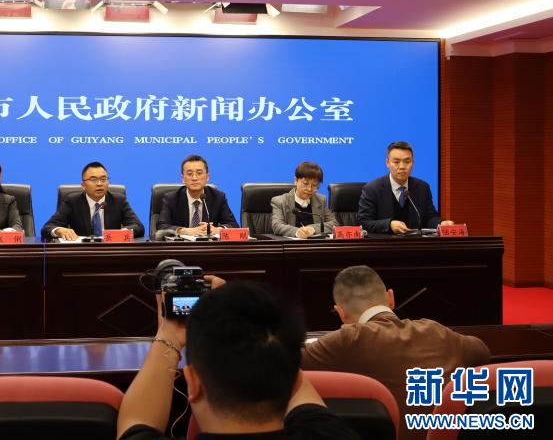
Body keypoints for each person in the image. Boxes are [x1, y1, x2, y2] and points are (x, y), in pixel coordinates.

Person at [117, 278, 360, 439]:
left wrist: (168, 333)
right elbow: (287, 362)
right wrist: (236, 305)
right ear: (295, 382)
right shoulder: (331, 434)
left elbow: (136, 420)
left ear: (193, 383)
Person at [301, 265, 490, 440]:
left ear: (341, 312)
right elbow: (481, 351)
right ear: (390, 298)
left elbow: (289, 362)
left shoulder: (348, 339)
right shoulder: (435, 330)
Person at [358, 141, 453, 234]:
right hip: (384, 242)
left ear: (413, 163)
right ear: (387, 163)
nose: (402, 166)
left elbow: (429, 217)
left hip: (414, 242)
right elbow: (363, 222)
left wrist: (441, 223)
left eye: (407, 161)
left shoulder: (422, 188)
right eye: (396, 162)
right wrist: (389, 225)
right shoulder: (372, 189)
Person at [41, 161, 145, 240]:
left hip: (111, 251)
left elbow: (138, 227)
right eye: (93, 179)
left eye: (103, 179)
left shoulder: (118, 200)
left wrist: (121, 233)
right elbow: (47, 228)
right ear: (83, 185)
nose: (99, 184)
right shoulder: (72, 201)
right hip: (82, 253)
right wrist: (59, 230)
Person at [157, 155, 239, 237]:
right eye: (189, 174)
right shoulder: (171, 199)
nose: (194, 178)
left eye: (199, 173)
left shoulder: (217, 197)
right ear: (183, 179)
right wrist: (185, 231)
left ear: (207, 177)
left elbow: (234, 226)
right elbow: (161, 227)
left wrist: (217, 230)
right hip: (182, 244)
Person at [271, 162, 337, 238]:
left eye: (314, 185)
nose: (309, 189)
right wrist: (297, 232)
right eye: (305, 183)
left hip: (316, 243)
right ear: (296, 180)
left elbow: (334, 224)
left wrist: (313, 228)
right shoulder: (280, 201)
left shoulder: (321, 200)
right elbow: (277, 225)